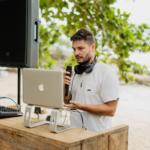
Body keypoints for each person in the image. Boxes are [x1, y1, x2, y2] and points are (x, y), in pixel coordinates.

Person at [63, 28, 119, 132]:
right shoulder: (76, 73)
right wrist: (64, 87)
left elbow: (111, 110)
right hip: (73, 133)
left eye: (80, 48)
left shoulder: (107, 73)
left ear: (92, 47)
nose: (76, 53)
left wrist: (82, 106)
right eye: (74, 49)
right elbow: (67, 101)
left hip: (96, 136)